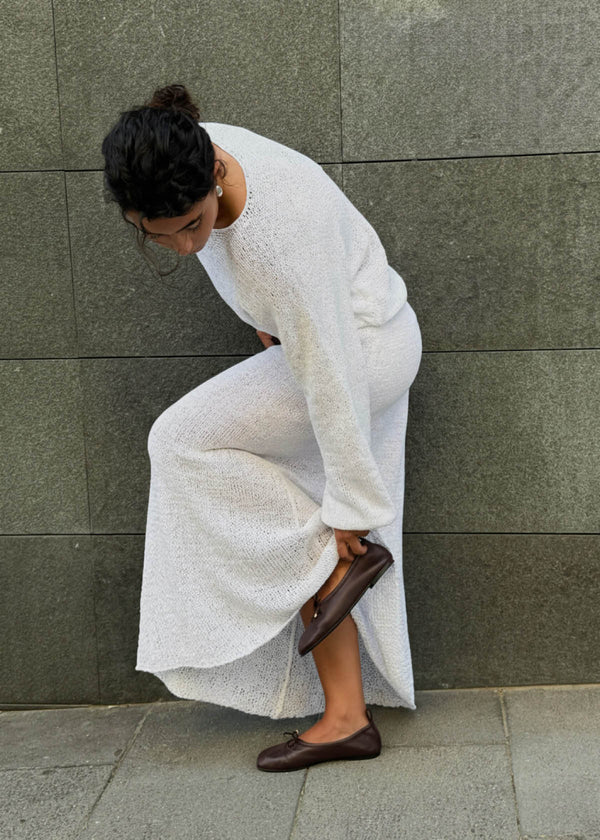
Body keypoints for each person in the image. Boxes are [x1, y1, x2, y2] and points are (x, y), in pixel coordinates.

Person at [101, 83, 423, 772]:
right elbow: (273, 296)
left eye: (193, 224)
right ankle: (346, 718)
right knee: (270, 490)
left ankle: (347, 555)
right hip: (323, 341)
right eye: (160, 237)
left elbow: (331, 366)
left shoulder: (282, 236)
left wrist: (352, 509)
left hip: (366, 352)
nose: (186, 247)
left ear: (216, 172)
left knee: (181, 441)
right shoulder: (179, 147)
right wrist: (270, 320)